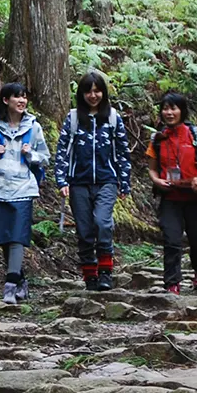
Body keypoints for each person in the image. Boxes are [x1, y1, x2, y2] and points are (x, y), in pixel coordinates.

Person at [0, 82, 50, 304]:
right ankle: (21, 280)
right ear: (6, 100)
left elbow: (45, 157)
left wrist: (31, 154)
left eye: (24, 97)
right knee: (4, 239)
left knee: (17, 237)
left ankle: (9, 286)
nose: (22, 101)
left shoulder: (34, 128)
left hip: (23, 188)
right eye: (17, 97)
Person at [54, 70, 131, 291]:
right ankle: (90, 274)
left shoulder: (113, 117)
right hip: (78, 182)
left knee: (102, 223)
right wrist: (61, 180)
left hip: (107, 180)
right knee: (85, 230)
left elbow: (123, 153)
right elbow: (63, 151)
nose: (93, 95)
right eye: (88, 91)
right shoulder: (74, 117)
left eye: (97, 91)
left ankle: (106, 272)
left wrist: (124, 182)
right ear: (82, 94)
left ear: (103, 93)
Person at [145, 92, 197, 295]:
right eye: (165, 109)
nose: (169, 113)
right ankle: (172, 283)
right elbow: (151, 167)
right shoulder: (157, 139)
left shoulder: (195, 133)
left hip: (195, 196)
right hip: (170, 197)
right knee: (171, 240)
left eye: (173, 108)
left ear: (181, 110)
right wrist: (156, 180)